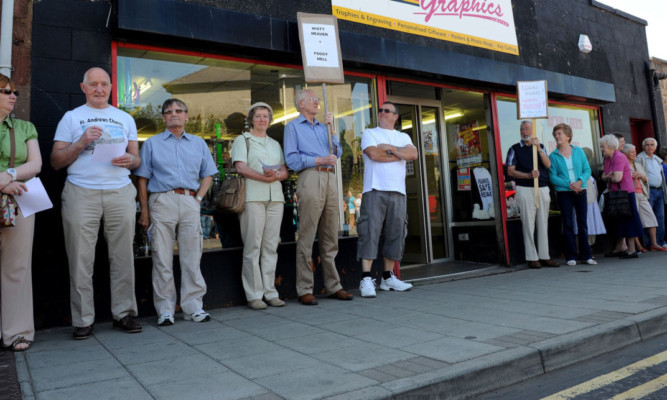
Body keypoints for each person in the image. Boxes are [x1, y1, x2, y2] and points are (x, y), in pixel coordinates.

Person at [51, 67, 141, 339]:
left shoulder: (125, 118)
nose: (99, 89)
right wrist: (81, 142)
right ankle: (82, 319)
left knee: (123, 255)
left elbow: (136, 159)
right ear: (83, 87)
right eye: (93, 85)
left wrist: (131, 160)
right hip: (81, 192)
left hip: (120, 191)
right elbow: (56, 161)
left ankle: (124, 313)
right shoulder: (71, 117)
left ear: (111, 87)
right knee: (79, 257)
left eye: (104, 84)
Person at [135, 98, 218, 325]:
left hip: (190, 200)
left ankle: (194, 307)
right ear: (163, 117)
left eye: (179, 111)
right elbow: (142, 179)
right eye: (169, 111)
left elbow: (208, 173)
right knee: (162, 258)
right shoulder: (152, 144)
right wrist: (144, 210)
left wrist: (198, 199)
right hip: (162, 200)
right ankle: (165, 310)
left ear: (187, 116)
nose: (174, 114)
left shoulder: (198, 143)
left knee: (192, 257)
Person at [284, 88, 353, 305]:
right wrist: (319, 160)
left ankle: (334, 286)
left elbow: (337, 151)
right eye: (313, 99)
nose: (317, 102)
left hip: (331, 179)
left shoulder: (324, 127)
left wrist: (332, 130)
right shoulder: (292, 127)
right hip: (310, 177)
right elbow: (292, 160)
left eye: (317, 99)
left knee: (330, 235)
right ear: (301, 103)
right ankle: (304, 288)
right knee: (307, 235)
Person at [357, 102, 418, 298]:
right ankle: (366, 278)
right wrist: (400, 155)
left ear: (395, 116)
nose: (382, 113)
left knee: (396, 233)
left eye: (387, 111)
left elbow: (414, 154)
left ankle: (388, 277)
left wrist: (391, 149)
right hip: (375, 188)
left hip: (398, 191)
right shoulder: (369, 133)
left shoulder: (403, 136)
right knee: (370, 232)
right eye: (380, 110)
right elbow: (374, 154)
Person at [232, 102, 288, 310]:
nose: (262, 119)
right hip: (253, 197)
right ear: (251, 119)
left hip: (276, 198)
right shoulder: (242, 140)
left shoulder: (274, 143)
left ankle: (270, 292)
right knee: (253, 247)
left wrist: (277, 176)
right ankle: (254, 295)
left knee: (270, 247)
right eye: (258, 116)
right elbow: (240, 167)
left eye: (266, 116)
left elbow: (284, 171)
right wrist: (263, 178)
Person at [0, 73, 42, 351]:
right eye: (5, 91)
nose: (13, 95)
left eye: (14, 91)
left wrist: (9, 175)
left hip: (23, 199)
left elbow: (36, 164)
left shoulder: (25, 127)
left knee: (17, 267)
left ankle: (17, 332)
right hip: (8, 190)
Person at [505, 120, 559, 268]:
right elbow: (510, 170)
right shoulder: (514, 149)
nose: (525, 132)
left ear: (532, 130)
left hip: (542, 187)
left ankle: (544, 255)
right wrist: (528, 176)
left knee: (543, 221)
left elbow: (548, 165)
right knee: (528, 223)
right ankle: (532, 257)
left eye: (527, 129)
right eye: (522, 129)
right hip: (525, 188)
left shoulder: (540, 147)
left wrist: (539, 149)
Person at [548, 123, 595, 266]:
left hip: (581, 190)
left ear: (568, 136)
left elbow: (587, 170)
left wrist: (579, 183)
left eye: (559, 134)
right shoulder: (553, 156)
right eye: (555, 134)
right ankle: (571, 256)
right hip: (564, 193)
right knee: (567, 224)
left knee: (582, 223)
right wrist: (570, 184)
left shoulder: (579, 151)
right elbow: (552, 177)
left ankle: (586, 255)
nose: (557, 136)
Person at [600, 134, 643, 258]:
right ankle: (620, 247)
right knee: (616, 220)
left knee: (628, 220)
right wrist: (609, 176)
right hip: (614, 193)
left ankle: (631, 250)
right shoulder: (608, 158)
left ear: (610, 146)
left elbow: (618, 178)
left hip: (625, 194)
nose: (601, 149)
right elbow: (603, 175)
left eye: (603, 146)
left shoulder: (619, 157)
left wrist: (608, 177)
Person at [622, 144, 665, 252]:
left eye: (635, 151)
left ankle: (654, 243)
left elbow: (646, 179)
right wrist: (630, 176)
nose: (634, 153)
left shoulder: (637, 164)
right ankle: (638, 246)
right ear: (626, 154)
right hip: (631, 194)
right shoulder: (624, 164)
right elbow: (620, 178)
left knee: (651, 218)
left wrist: (641, 176)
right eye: (632, 152)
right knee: (635, 219)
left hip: (642, 193)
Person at [636, 138, 667, 248]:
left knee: (660, 217)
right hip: (648, 191)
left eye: (652, 145)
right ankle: (649, 243)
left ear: (655, 147)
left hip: (659, 190)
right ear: (643, 146)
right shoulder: (639, 158)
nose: (649, 147)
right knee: (648, 218)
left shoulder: (657, 159)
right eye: (647, 145)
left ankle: (660, 241)